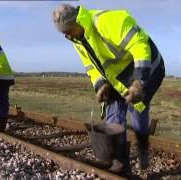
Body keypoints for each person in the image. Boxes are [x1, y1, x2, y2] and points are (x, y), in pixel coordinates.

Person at [52, 4, 165, 173]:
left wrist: (138, 81)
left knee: (137, 112)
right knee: (113, 119)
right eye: (62, 32)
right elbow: (90, 66)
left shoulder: (106, 21)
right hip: (115, 77)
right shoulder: (76, 39)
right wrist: (100, 84)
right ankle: (120, 164)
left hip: (145, 68)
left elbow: (139, 44)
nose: (65, 35)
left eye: (67, 30)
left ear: (77, 21)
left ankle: (142, 147)